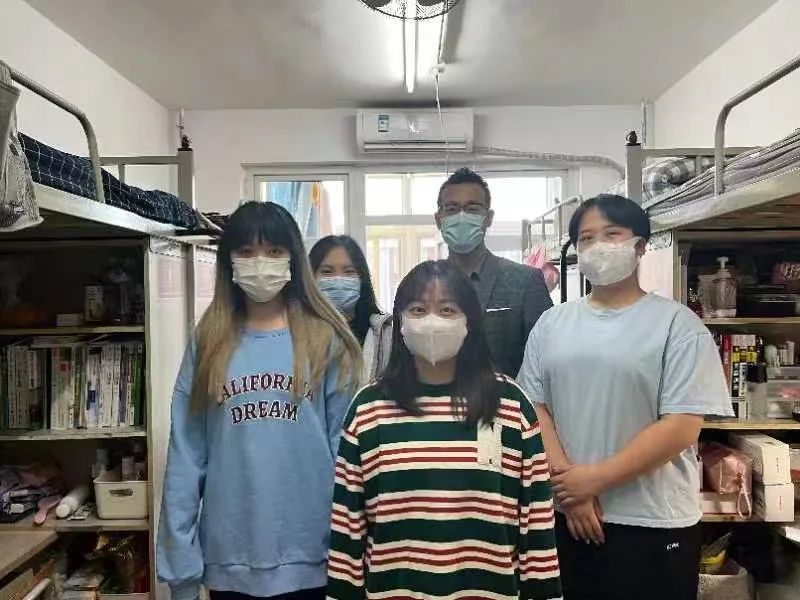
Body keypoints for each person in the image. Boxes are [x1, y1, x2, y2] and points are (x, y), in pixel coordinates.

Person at [517, 194, 733, 600]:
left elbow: (681, 427)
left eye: (611, 234)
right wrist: (570, 490)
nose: (598, 246)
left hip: (653, 521)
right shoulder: (552, 324)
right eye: (586, 238)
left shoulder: (677, 326)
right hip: (568, 515)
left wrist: (593, 480)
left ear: (640, 245)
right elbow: (535, 407)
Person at [157, 202, 362, 600]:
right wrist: (180, 568)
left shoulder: (326, 339)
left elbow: (346, 458)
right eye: (246, 252)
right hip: (229, 560)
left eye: (274, 251)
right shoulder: (209, 341)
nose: (260, 262)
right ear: (229, 261)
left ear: (293, 258)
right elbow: (185, 457)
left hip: (313, 557)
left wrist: (353, 554)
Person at [327, 260, 562, 600]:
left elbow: (536, 531)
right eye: (418, 310)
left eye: (447, 310)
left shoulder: (511, 407)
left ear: (471, 321)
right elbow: (348, 534)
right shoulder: (368, 410)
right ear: (400, 322)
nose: (432, 321)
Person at [435, 167, 552, 377]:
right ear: (438, 219)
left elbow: (545, 361)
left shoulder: (525, 282)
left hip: (507, 396)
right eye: (452, 209)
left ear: (488, 218)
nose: (462, 217)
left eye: (472, 209)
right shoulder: (426, 284)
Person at [309, 235, 392, 382]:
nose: (338, 280)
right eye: (327, 272)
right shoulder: (296, 333)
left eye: (349, 272)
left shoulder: (384, 335)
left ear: (362, 279)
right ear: (310, 278)